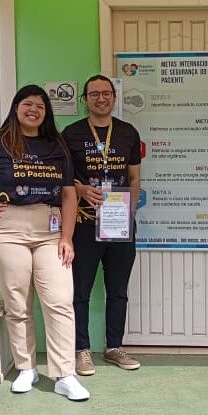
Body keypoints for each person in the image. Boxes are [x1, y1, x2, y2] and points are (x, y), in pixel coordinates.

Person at [0, 85, 90, 401]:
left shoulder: (56, 144)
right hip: (7, 230)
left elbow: (69, 194)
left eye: (40, 106)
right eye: (27, 104)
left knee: (59, 300)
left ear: (46, 113)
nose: (34, 110)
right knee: (17, 302)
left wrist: (67, 237)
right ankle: (26, 368)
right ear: (16, 107)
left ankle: (65, 375)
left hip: (50, 229)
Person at [62, 75, 141, 376]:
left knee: (118, 289)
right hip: (83, 223)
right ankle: (81, 350)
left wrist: (128, 213)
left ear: (114, 97)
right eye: (94, 94)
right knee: (79, 290)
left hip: (119, 224)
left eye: (106, 93)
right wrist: (81, 189)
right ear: (85, 99)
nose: (101, 98)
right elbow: (62, 177)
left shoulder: (128, 132)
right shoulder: (71, 134)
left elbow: (134, 177)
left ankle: (114, 347)